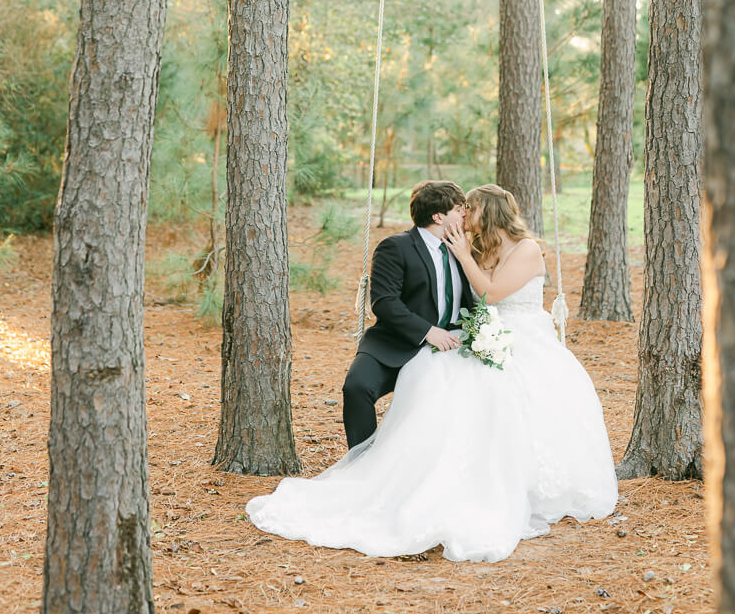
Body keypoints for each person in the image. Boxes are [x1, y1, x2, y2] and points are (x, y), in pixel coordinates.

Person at [245, 183, 618, 562]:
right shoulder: (425, 247)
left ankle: (503, 483)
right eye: (461, 209)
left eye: (469, 210)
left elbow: (488, 294)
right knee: (380, 389)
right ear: (442, 216)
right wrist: (433, 328)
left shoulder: (495, 250)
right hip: (425, 341)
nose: (465, 217)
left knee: (497, 398)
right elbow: (387, 301)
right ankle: (374, 469)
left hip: (511, 340)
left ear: (485, 215)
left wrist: (461, 262)